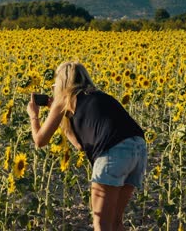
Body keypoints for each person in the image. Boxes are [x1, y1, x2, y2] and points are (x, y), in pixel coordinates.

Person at [27, 61, 147, 231]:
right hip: (138, 149)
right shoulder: (98, 96)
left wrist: (34, 116)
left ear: (62, 83)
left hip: (114, 151)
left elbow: (40, 140)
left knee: (102, 225)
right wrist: (62, 117)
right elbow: (79, 145)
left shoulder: (65, 99)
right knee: (115, 223)